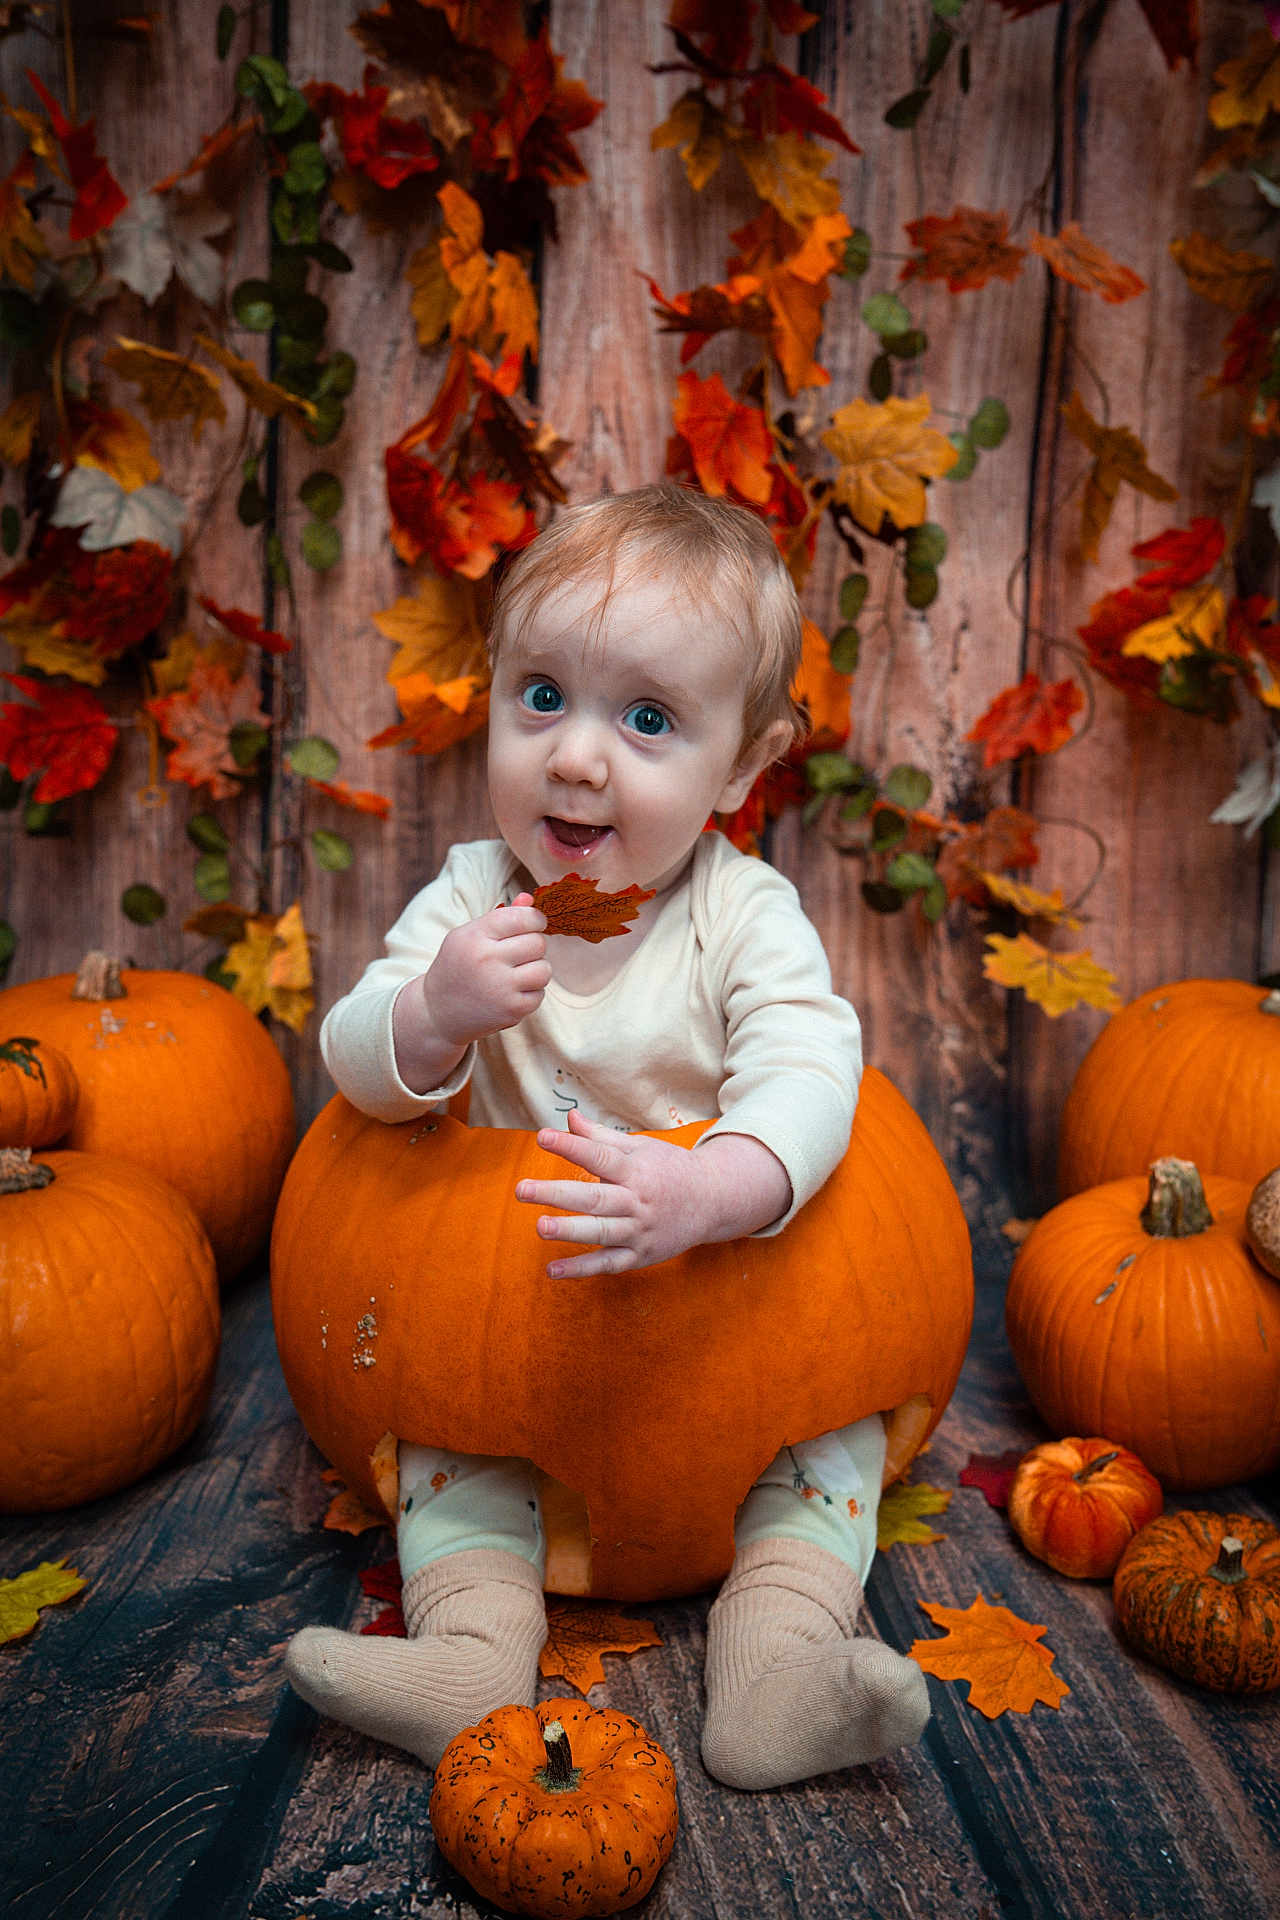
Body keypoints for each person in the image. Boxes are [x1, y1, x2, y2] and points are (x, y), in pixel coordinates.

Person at [284, 482, 930, 1790]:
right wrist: (432, 1013)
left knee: (828, 1445)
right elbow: (353, 1066)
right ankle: (469, 1653)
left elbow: (812, 1074)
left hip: (732, 1316)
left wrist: (712, 1185)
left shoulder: (741, 917)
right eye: (542, 697)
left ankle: (781, 1660)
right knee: (450, 1449)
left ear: (741, 766)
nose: (577, 757)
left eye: (646, 719)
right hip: (507, 1330)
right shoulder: (473, 900)